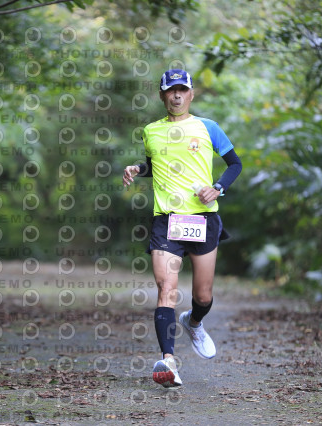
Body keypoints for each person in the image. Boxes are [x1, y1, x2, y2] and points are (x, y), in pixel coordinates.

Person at [122, 69, 242, 388]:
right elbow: (155, 164)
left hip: (202, 219)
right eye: (170, 90)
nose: (176, 95)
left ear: (191, 94)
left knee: (203, 295)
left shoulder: (208, 127)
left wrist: (218, 187)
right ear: (162, 95)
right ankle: (169, 362)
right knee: (166, 288)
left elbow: (235, 164)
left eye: (182, 90)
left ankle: (194, 321)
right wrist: (138, 168)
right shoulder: (151, 131)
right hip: (167, 220)